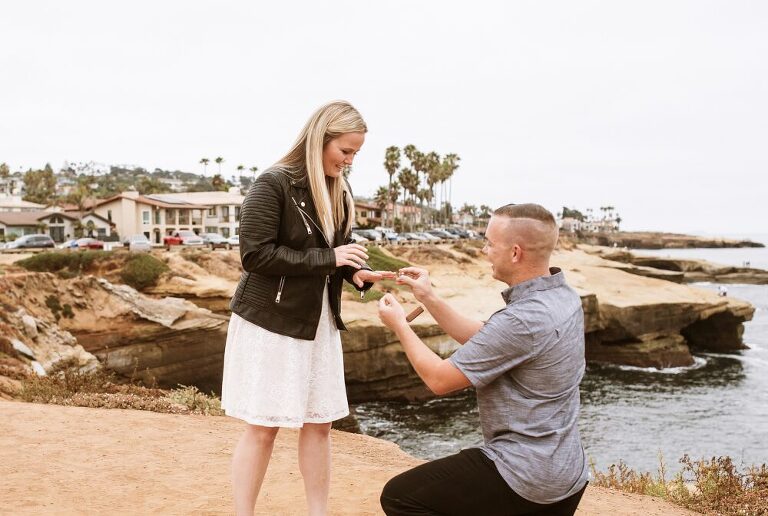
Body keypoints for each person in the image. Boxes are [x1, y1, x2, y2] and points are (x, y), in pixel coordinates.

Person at [221, 100, 392, 516]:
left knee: (320, 425)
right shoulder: (273, 182)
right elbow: (255, 256)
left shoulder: (339, 190)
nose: (350, 161)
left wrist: (358, 275)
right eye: (345, 151)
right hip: (271, 322)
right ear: (321, 138)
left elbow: (337, 256)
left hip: (318, 324)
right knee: (263, 428)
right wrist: (331, 260)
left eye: (355, 154)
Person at [377, 203, 589, 516]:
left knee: (399, 497)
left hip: (526, 476)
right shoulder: (564, 297)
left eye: (489, 242)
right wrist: (429, 298)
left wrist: (400, 326)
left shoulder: (522, 319)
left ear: (515, 253)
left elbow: (439, 379)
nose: (483, 249)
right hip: (568, 472)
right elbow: (488, 339)